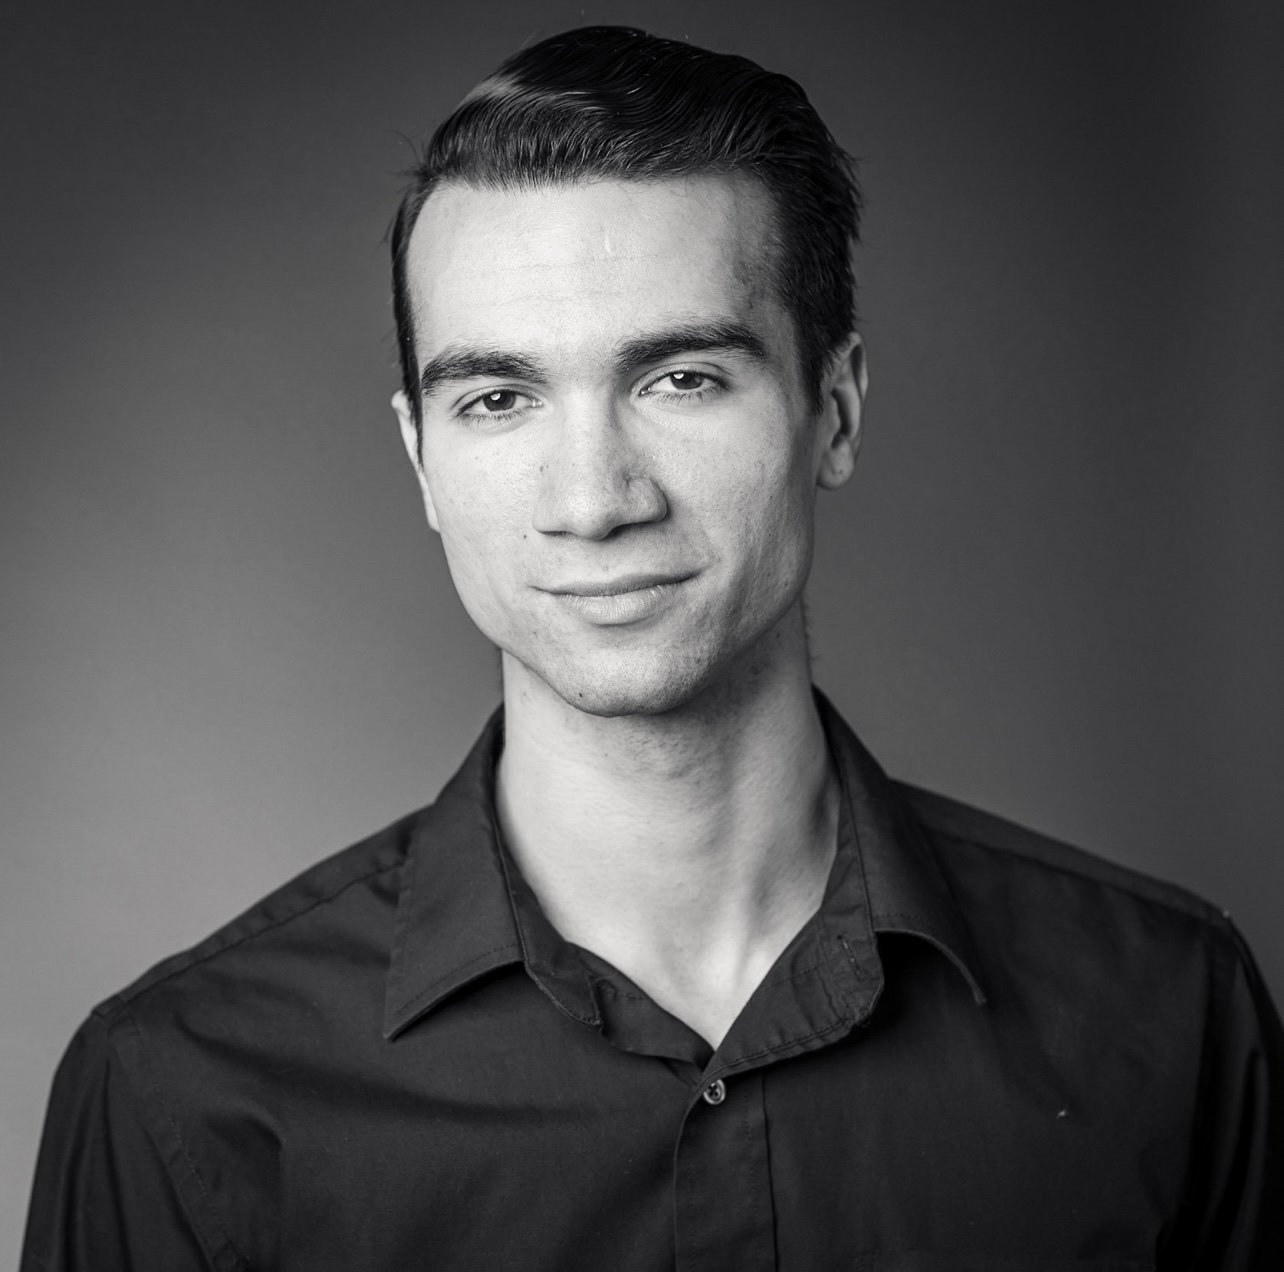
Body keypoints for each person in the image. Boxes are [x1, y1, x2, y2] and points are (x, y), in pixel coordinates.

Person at [21, 24, 1284, 1270]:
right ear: (422, 461)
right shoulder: (181, 1092)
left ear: (831, 411)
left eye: (679, 377)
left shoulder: (1169, 1018)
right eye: (499, 399)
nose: (594, 498)